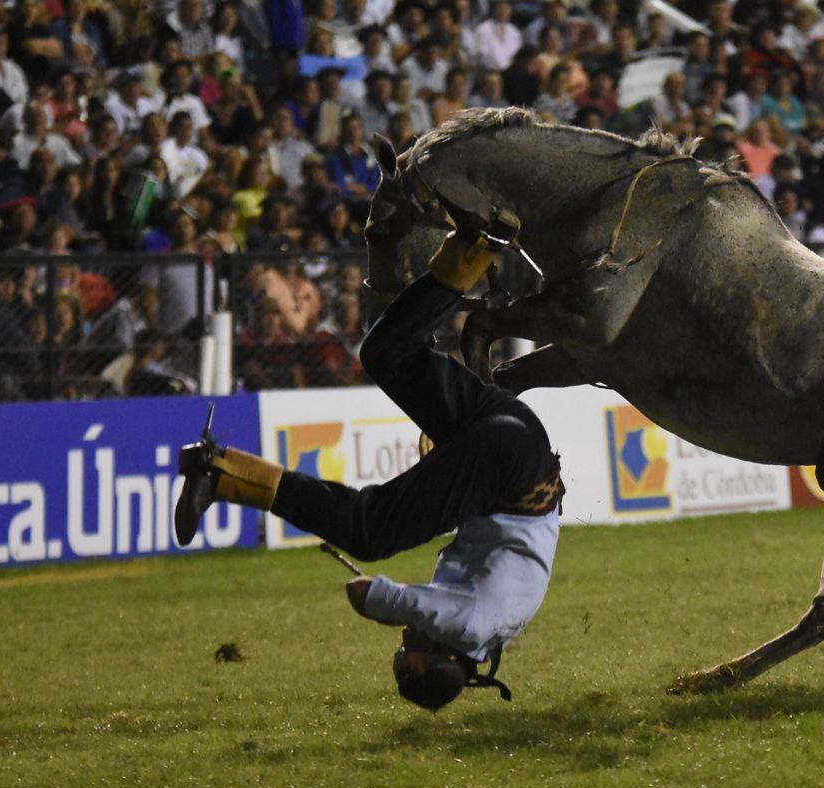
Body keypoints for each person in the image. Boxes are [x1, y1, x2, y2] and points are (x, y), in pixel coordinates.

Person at [174, 211, 564, 711]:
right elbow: (386, 599)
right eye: (409, 653)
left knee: (387, 353)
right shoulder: (470, 627)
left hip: (517, 444)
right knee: (368, 531)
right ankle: (221, 476)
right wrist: (373, 596)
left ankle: (474, 249)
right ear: (442, 658)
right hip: (509, 468)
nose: (405, 641)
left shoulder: (485, 631)